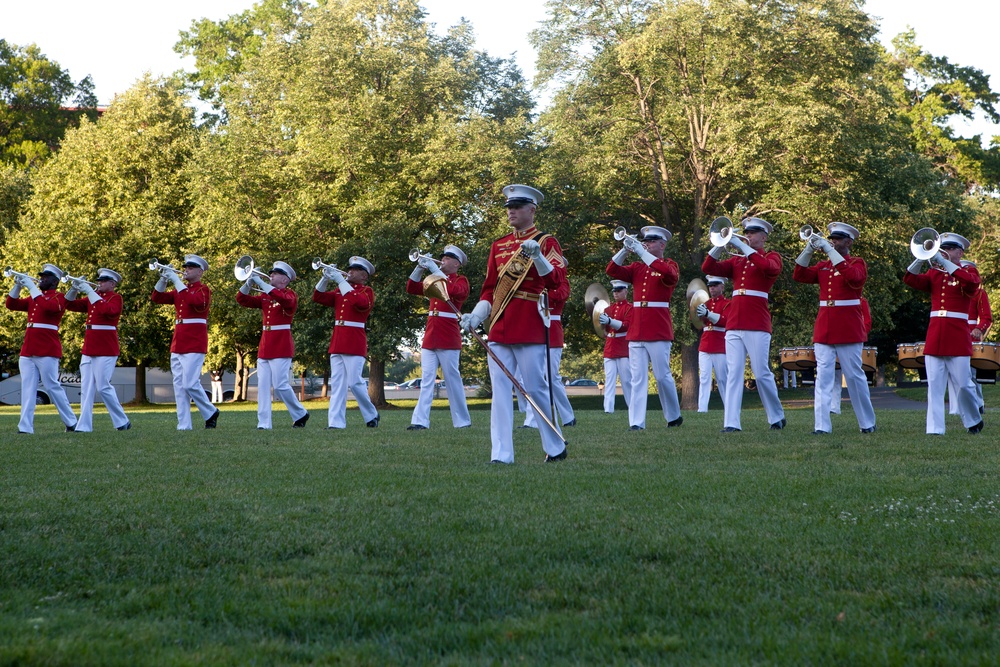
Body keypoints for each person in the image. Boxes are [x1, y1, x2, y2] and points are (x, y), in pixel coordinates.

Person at [460, 184, 568, 463]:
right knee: (500, 392)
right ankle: (501, 453)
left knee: (536, 388)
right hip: (499, 326)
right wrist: (476, 315)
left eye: (517, 207)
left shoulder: (546, 242)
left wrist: (538, 257)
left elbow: (556, 280)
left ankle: (555, 447)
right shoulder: (498, 245)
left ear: (532, 210)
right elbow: (489, 290)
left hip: (530, 323)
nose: (511, 212)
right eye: (509, 207)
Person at [702, 217, 786, 432]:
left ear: (764, 237)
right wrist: (719, 245)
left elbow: (768, 268)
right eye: (746, 233)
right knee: (734, 373)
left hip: (757, 323)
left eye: (752, 233)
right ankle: (731, 423)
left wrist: (741, 246)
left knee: (761, 372)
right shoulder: (737, 261)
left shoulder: (771, 256)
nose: (747, 236)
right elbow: (708, 266)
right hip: (734, 323)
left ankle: (776, 416)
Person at [792, 222, 877, 434]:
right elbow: (799, 275)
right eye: (832, 239)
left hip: (848, 326)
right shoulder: (823, 266)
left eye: (838, 239)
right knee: (822, 376)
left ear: (849, 242)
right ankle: (821, 426)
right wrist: (809, 249)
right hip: (825, 326)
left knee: (854, 376)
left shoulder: (856, 262)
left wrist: (829, 250)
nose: (834, 241)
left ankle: (867, 422)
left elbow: (854, 278)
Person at [902, 232, 984, 435]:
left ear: (960, 252)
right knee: (935, 386)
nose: (944, 252)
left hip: (957, 334)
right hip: (936, 333)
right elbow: (910, 279)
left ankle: (973, 419)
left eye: (949, 249)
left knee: (964, 384)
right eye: (942, 248)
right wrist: (920, 257)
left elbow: (972, 284)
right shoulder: (934, 273)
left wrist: (945, 264)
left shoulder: (968, 270)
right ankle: (935, 429)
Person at [606, 225, 682, 430]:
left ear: (662, 244)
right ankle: (636, 422)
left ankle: (674, 415)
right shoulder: (637, 268)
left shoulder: (669, 264)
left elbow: (669, 275)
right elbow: (611, 270)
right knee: (637, 378)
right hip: (637, 329)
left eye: (651, 241)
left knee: (662, 375)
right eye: (645, 241)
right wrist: (625, 249)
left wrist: (640, 251)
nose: (646, 244)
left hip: (657, 328)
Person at [4, 263, 78, 434]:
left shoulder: (58, 298)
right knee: (28, 388)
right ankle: (25, 427)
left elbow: (48, 307)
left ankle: (71, 422)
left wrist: (30, 286)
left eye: (45, 277)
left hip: (47, 349)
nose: (41, 279)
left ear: (54, 281)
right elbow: (11, 304)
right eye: (41, 276)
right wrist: (17, 286)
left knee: (52, 385)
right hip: (28, 348)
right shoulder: (35, 297)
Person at [236, 260, 310, 429]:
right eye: (271, 274)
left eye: (275, 274)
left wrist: (261, 282)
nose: (270, 276)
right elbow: (241, 299)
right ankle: (264, 423)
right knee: (262, 386)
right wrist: (248, 282)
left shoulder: (290, 295)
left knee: (280, 385)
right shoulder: (266, 296)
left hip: (281, 344)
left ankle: (300, 413)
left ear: (284, 280)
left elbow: (284, 300)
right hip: (265, 344)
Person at [405, 245, 472, 430]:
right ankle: (420, 421)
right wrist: (419, 268)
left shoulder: (461, 280)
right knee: (426, 379)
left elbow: (451, 291)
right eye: (442, 257)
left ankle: (462, 421)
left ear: (457, 263)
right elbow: (411, 287)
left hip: (448, 334)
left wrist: (434, 270)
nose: (443, 260)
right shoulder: (435, 278)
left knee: (452, 379)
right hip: (431, 334)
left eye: (447, 258)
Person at [150, 254, 219, 430]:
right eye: (185, 267)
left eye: (190, 268)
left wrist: (176, 281)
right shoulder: (181, 290)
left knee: (189, 383)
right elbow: (156, 298)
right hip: (179, 341)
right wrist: (164, 279)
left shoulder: (203, 290)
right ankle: (184, 424)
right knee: (179, 386)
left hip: (195, 341)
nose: (186, 270)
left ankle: (210, 410)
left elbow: (195, 301)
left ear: (200, 271)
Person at [312, 256, 380, 429]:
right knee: (338, 384)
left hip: (354, 341)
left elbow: (359, 303)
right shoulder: (340, 289)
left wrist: (341, 280)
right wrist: (325, 278)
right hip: (338, 340)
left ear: (364, 276)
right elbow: (317, 297)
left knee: (355, 382)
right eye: (349, 268)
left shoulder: (366, 291)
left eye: (355, 270)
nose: (350, 271)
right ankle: (336, 423)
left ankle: (371, 414)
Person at [65, 268, 131, 431]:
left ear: (112, 283)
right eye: (99, 280)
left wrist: (89, 291)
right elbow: (68, 304)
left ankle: (122, 421)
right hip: (90, 345)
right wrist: (73, 288)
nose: (99, 283)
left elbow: (107, 311)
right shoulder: (94, 298)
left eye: (103, 281)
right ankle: (84, 425)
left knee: (103, 386)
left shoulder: (116, 298)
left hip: (106, 346)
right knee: (86, 387)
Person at [523, 256, 575, 429]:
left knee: (552, 378)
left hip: (552, 330)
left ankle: (567, 416)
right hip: (534, 329)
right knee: (534, 377)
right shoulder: (536, 282)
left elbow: (557, 296)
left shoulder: (563, 283)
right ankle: (532, 420)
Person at [949, 261, 990, 415]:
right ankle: (956, 407)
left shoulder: (979, 293)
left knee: (971, 374)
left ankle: (978, 404)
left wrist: (979, 329)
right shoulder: (950, 290)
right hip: (952, 331)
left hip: (970, 334)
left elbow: (986, 317)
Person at [695, 275, 730, 413]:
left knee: (722, 378)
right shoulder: (706, 303)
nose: (712, 288)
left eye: (715, 285)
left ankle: (729, 406)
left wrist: (708, 313)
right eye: (710, 286)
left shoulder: (728, 303)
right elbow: (699, 324)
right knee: (704, 377)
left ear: (722, 287)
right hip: (705, 343)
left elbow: (725, 321)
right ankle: (702, 408)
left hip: (720, 344)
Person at [599, 280, 633, 414]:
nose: (616, 294)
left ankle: (632, 407)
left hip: (623, 346)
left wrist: (610, 321)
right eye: (614, 291)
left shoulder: (630, 308)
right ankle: (608, 409)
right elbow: (604, 330)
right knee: (609, 379)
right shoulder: (608, 309)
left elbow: (626, 325)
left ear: (626, 291)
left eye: (619, 291)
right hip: (610, 346)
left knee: (626, 380)